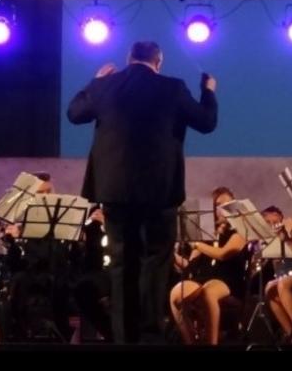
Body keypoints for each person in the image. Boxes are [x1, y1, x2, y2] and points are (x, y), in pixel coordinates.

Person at [66, 40, 217, 343]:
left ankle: (124, 339)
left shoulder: (106, 85)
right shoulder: (173, 88)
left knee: (122, 263)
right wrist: (209, 91)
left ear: (129, 58)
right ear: (158, 62)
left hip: (115, 191)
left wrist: (94, 81)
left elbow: (74, 113)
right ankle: (150, 336)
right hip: (160, 192)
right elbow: (206, 122)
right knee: (155, 261)